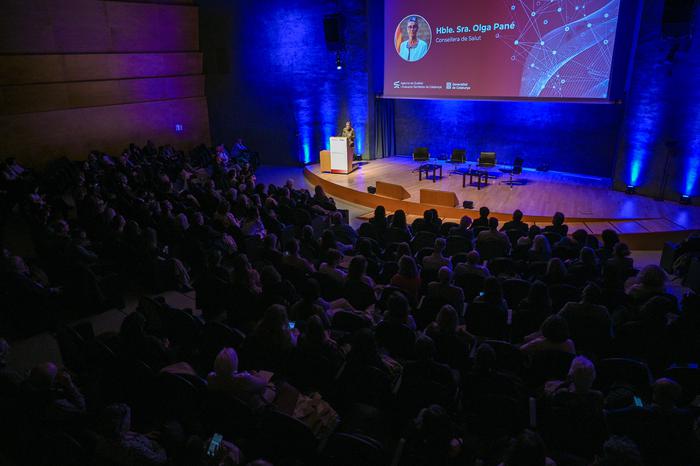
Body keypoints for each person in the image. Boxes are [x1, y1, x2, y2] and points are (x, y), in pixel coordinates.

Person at [95, 403, 168, 466]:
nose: (129, 420)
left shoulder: (104, 440)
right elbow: (159, 460)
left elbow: (126, 436)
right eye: (128, 418)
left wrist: (143, 436)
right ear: (122, 423)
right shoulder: (132, 448)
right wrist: (157, 446)